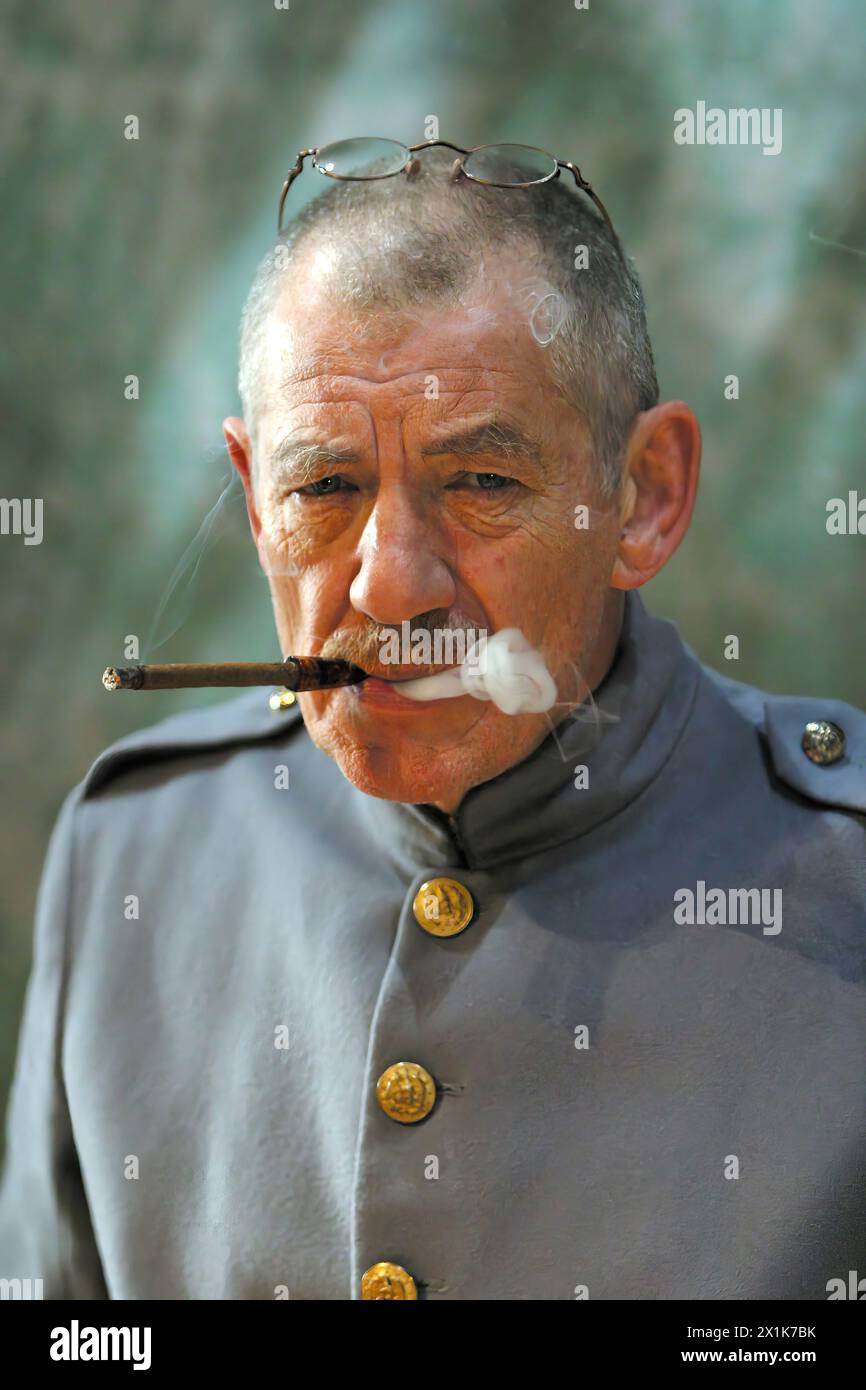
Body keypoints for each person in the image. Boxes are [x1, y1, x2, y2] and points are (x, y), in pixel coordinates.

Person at [1, 141, 863, 1300]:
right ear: (254, 499)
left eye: (482, 483)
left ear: (642, 496)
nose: (388, 585)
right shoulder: (133, 850)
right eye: (324, 487)